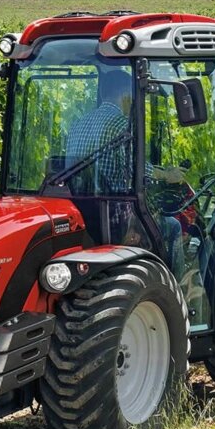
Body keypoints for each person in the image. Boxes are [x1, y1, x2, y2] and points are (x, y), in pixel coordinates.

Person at [64, 68, 185, 274]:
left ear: (103, 94)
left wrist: (157, 169)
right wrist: (168, 175)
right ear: (126, 95)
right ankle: (175, 292)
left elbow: (115, 163)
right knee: (173, 225)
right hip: (116, 215)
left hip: (84, 212)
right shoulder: (121, 124)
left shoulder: (78, 124)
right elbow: (137, 170)